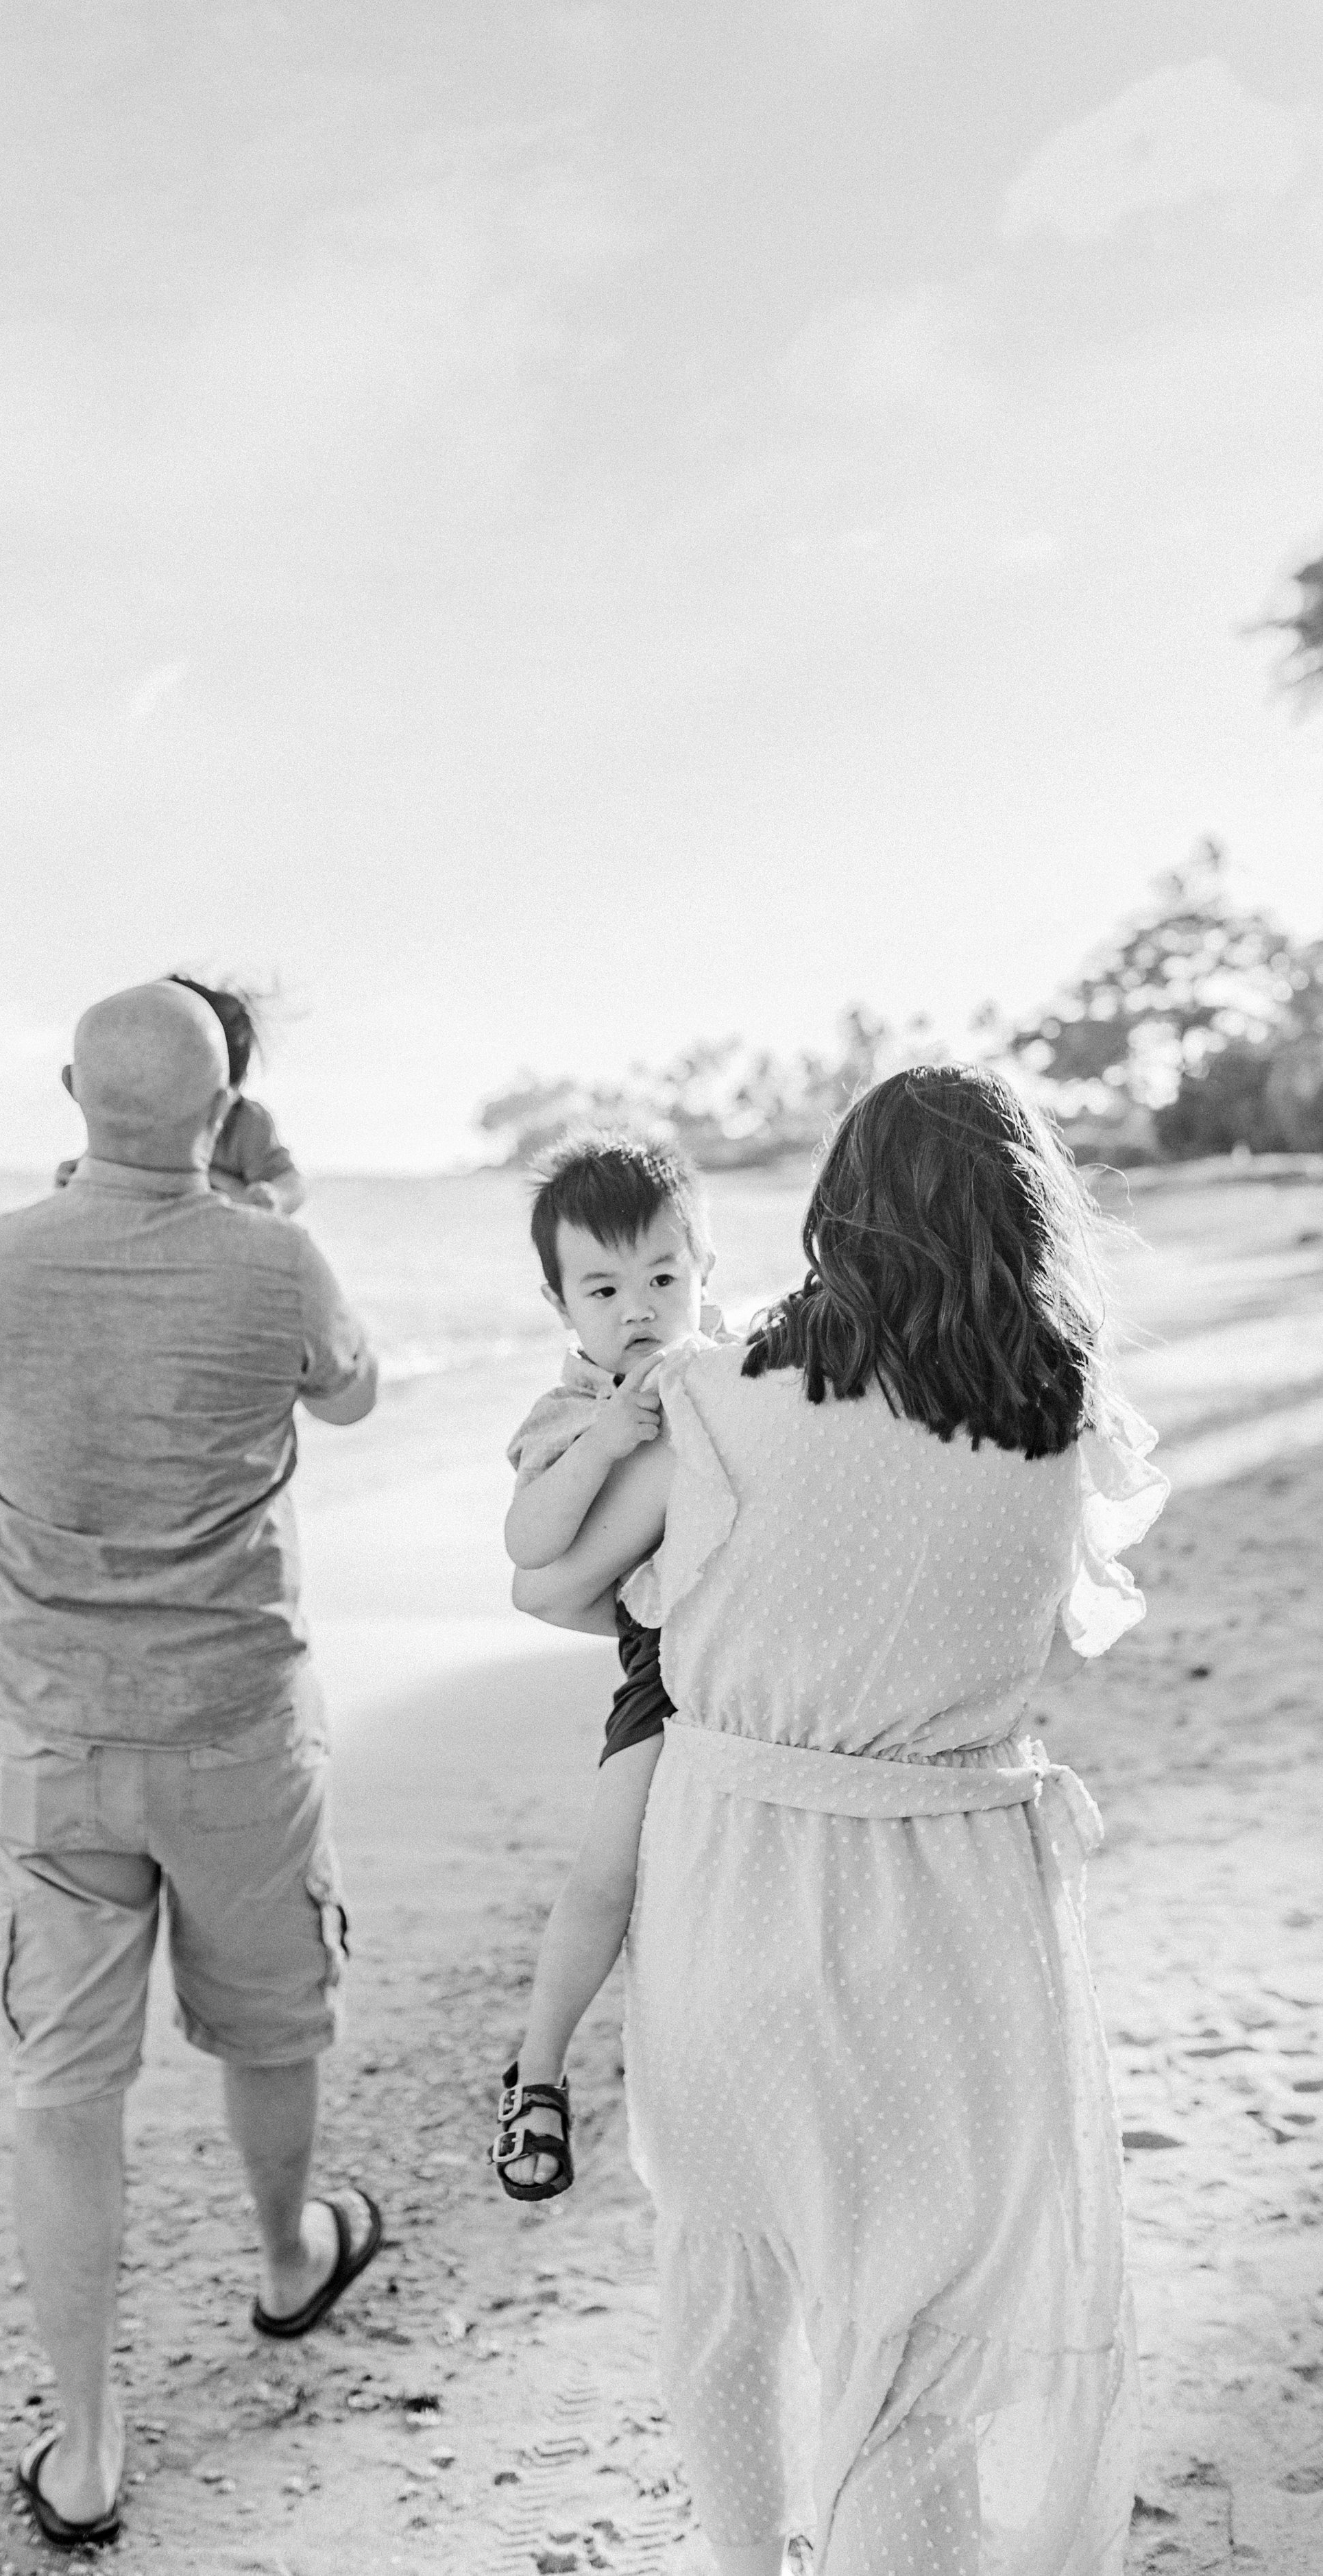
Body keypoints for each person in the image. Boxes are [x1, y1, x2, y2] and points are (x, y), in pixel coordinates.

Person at [512, 1065, 1167, 2576]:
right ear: (1027, 1220)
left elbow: (551, 1584)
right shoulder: (1061, 1416)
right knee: (919, 2336)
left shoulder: (730, 1397)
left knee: (730, 2283)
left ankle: (751, 2560)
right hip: (959, 1907)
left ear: (837, 1209)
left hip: (735, 1879)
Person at [0, 980, 380, 2553]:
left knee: (66, 2088)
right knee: (267, 2015)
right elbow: (350, 1386)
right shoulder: (278, 1259)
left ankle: (88, 2443)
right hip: (237, 1730)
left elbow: (10, 1384)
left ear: (67, 1090)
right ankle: (281, 2254)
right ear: (224, 1107)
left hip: (58, 1738)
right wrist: (264, 1200)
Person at [490, 1133, 729, 2202]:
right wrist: (605, 1440)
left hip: (753, 1641)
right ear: (562, 1307)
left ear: (705, 1275)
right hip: (662, 1662)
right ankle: (537, 2070)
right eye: (604, 1287)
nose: (639, 1308)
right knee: (610, 1874)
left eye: (663, 1279)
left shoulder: (738, 1369)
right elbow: (531, 1546)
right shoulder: (569, 1412)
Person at [54, 973, 305, 1215]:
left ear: (232, 1091)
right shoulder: (139, 1113)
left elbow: (290, 1181)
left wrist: (274, 1198)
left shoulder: (247, 1122)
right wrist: (78, 1174)